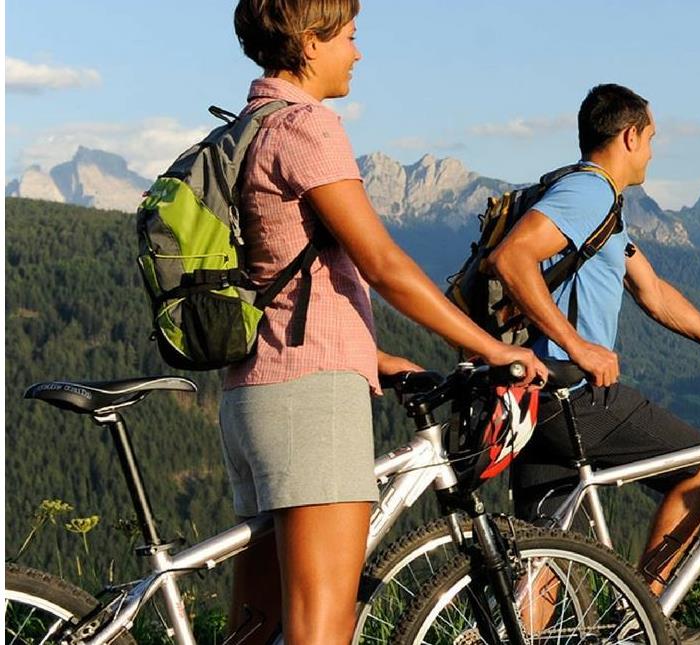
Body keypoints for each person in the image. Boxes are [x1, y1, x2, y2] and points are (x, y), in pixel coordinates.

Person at [222, 2, 549, 643]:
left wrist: (370, 357)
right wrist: (489, 348)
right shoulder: (304, 126)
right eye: (349, 36)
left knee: (255, 629)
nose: (358, 52)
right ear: (310, 45)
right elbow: (383, 263)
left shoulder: (247, 127)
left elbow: (277, 277)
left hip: (253, 393)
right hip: (310, 402)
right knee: (322, 625)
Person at [486, 83, 700, 645]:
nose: (653, 153)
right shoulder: (589, 193)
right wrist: (579, 346)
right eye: (652, 140)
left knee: (547, 559)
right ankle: (646, 622)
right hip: (575, 395)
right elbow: (511, 258)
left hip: (529, 401)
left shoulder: (601, 210)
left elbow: (654, 293)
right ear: (630, 135)